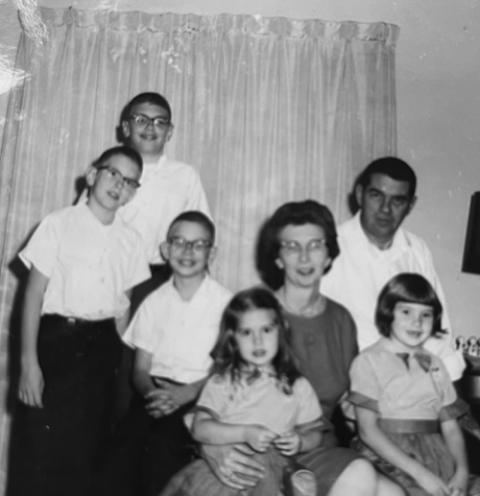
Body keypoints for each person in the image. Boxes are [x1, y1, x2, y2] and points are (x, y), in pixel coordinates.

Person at [197, 200, 403, 496]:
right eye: (292, 246)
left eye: (316, 245)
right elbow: (209, 400)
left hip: (315, 449)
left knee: (393, 493)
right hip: (257, 451)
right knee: (363, 481)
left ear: (329, 254)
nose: (304, 256)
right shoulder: (255, 317)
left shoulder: (341, 320)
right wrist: (211, 449)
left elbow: (350, 402)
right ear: (278, 258)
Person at [9, 146, 150, 496]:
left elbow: (123, 309)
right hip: (56, 344)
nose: (119, 184)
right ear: (92, 175)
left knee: (87, 454)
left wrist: (128, 370)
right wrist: (29, 364)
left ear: (133, 193)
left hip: (102, 352)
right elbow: (32, 295)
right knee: (40, 448)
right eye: (113, 173)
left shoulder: (131, 242)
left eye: (129, 181)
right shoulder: (58, 224)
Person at [98, 211, 232, 496]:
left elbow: (227, 370)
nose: (187, 251)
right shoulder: (153, 302)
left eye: (198, 244)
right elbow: (140, 370)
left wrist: (185, 395)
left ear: (213, 253)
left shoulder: (226, 304)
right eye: (179, 242)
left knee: (162, 453)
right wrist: (152, 395)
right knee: (117, 459)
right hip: (153, 396)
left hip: (202, 399)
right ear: (165, 250)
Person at [162, 286, 322, 496]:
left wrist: (300, 441)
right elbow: (200, 428)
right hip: (229, 467)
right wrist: (245, 433)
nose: (258, 341)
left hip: (276, 472)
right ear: (233, 338)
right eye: (246, 332)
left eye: (266, 330)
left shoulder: (297, 385)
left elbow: (315, 432)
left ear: (281, 330)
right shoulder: (224, 381)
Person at [321, 156, 464, 382]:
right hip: (357, 388)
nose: (385, 209)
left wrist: (446, 388)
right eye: (376, 196)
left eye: (397, 201)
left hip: (420, 387)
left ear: (410, 205)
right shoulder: (329, 247)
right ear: (360, 195)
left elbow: (440, 327)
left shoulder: (417, 250)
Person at [347, 273, 480, 496]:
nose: (417, 322)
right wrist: (421, 475)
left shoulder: (436, 365)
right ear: (388, 312)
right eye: (406, 312)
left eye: (425, 315)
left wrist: (461, 472)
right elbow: (367, 431)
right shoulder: (368, 361)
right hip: (387, 458)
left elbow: (451, 429)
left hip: (436, 456)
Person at [118, 91, 210, 294]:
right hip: (113, 272)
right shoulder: (109, 171)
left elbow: (201, 233)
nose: (150, 127)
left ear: (169, 131)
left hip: (163, 277)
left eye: (160, 122)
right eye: (141, 120)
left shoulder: (185, 176)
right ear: (126, 127)